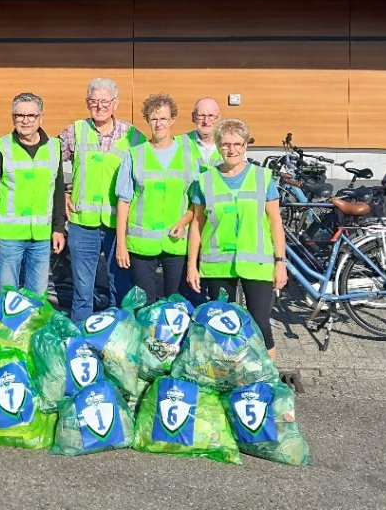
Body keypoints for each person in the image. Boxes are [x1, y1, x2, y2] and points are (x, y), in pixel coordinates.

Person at [185, 118, 288, 359]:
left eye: (238, 144)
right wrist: (192, 265)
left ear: (245, 146)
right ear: (218, 146)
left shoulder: (263, 177)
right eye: (226, 144)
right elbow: (197, 225)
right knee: (222, 327)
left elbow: (275, 222)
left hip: (258, 264)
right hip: (218, 265)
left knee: (261, 326)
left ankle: (270, 381)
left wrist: (280, 262)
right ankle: (228, 376)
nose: (232, 150)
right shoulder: (205, 180)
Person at [59, 78, 146, 321]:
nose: (99, 106)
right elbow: (51, 164)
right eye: (94, 101)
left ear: (115, 104)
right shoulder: (74, 130)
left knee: (120, 282)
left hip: (117, 224)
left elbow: (145, 174)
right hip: (82, 223)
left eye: (105, 101)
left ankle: (120, 332)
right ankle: (79, 338)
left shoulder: (133, 136)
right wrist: (64, 193)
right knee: (82, 288)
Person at [0, 93, 66, 299]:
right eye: (19, 115)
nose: (25, 120)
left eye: (31, 116)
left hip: (41, 237)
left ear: (40, 118)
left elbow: (57, 191)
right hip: (9, 237)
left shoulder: (54, 147)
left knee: (37, 295)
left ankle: (31, 332)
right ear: (13, 118)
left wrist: (58, 228)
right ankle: (5, 331)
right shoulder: (2, 147)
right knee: (7, 295)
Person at [114, 93, 196, 304]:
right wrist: (121, 245)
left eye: (163, 119)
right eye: (154, 119)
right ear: (148, 121)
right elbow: (124, 202)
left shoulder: (189, 155)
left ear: (172, 120)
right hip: (141, 243)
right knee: (145, 303)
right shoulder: (135, 154)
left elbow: (197, 202)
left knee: (174, 302)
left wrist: (183, 222)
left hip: (175, 242)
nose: (158, 124)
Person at [186, 97, 223, 169]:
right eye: (201, 115)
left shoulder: (231, 144)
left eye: (211, 115)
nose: (206, 121)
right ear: (193, 117)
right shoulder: (177, 143)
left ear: (219, 118)